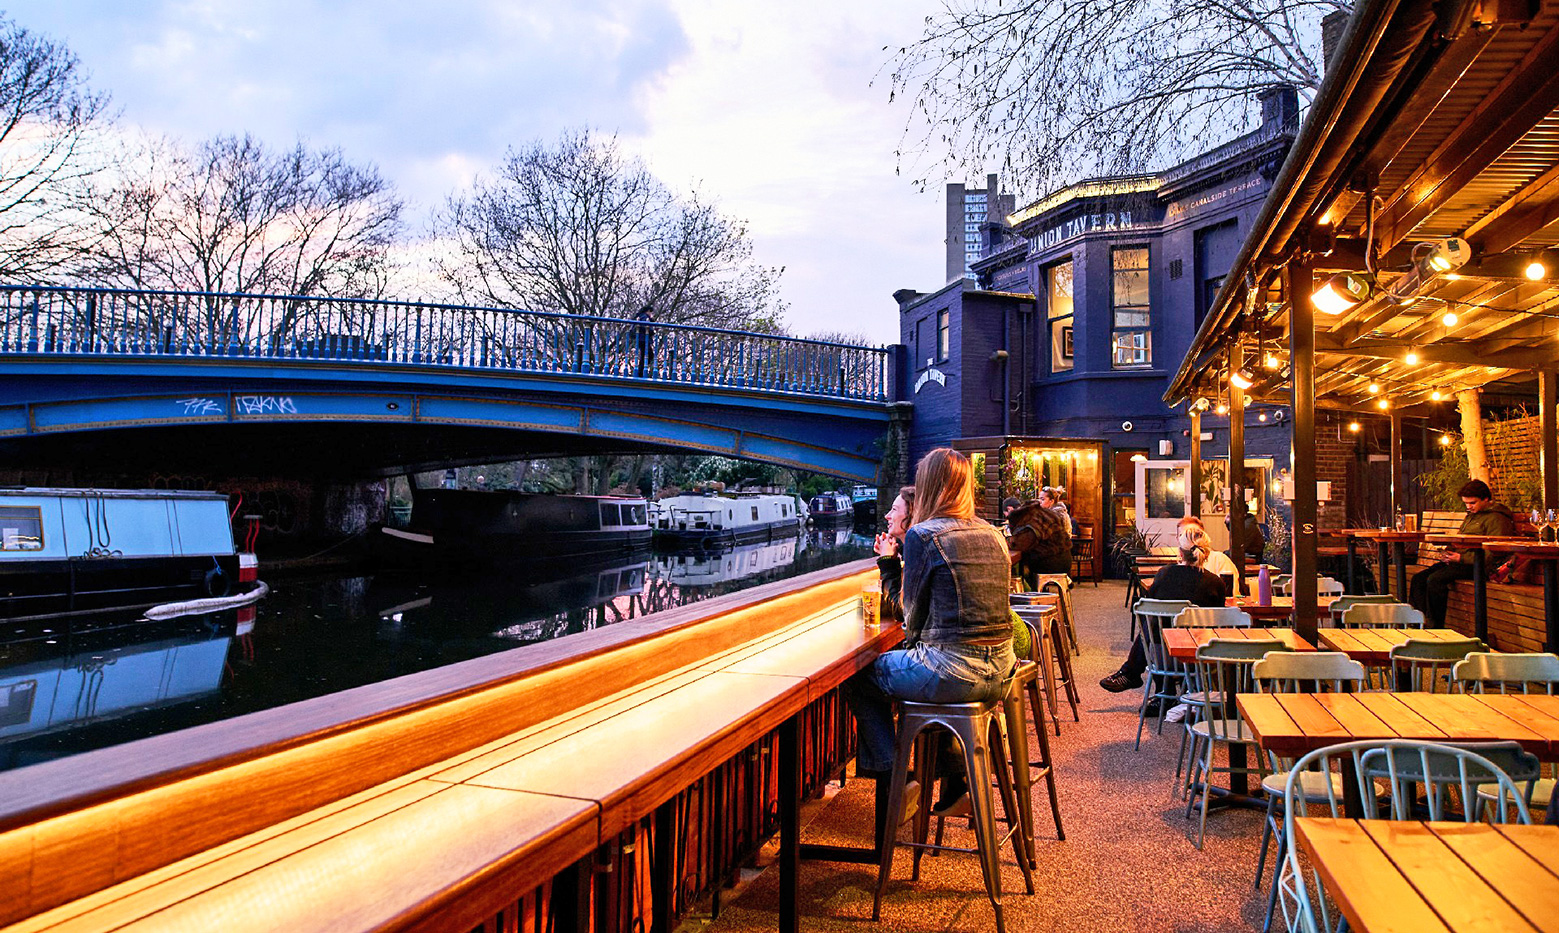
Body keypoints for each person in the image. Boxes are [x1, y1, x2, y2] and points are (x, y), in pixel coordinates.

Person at [845, 448, 1016, 816]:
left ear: (927, 486)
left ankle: (897, 780)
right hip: (1002, 674)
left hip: (955, 673)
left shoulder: (924, 535)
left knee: (859, 677)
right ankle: (956, 780)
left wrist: (889, 565)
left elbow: (911, 617)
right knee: (925, 681)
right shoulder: (993, 533)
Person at [1099, 524, 1228, 694]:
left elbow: (1149, 610)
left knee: (1153, 621)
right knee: (1157, 624)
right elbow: (1219, 621)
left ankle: (1140, 678)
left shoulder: (1164, 574)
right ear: (1207, 553)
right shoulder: (1215, 583)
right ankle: (1138, 677)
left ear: (1180, 553)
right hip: (1201, 655)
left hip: (1162, 657)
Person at [1409, 479, 1515, 625]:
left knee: (1435, 580)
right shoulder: (1472, 516)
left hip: (1479, 566)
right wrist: (1448, 552)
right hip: (1461, 562)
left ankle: (1436, 626)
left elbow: (1494, 553)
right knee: (1418, 579)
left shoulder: (1497, 519)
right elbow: (1459, 539)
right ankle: (1418, 623)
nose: (1469, 507)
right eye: (1466, 503)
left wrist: (1461, 558)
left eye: (1472, 503)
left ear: (1486, 499)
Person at [1007, 498, 1072, 591]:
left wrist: (1007, 541)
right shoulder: (1045, 513)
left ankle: (1029, 596)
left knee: (1017, 568)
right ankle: (1043, 592)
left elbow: (1020, 545)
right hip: (1065, 559)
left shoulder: (1031, 521)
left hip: (1050, 563)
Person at [873, 485, 915, 621]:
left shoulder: (919, 552)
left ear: (912, 515)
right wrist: (895, 556)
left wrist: (887, 562)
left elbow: (902, 610)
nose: (887, 516)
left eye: (894, 510)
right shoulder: (913, 549)